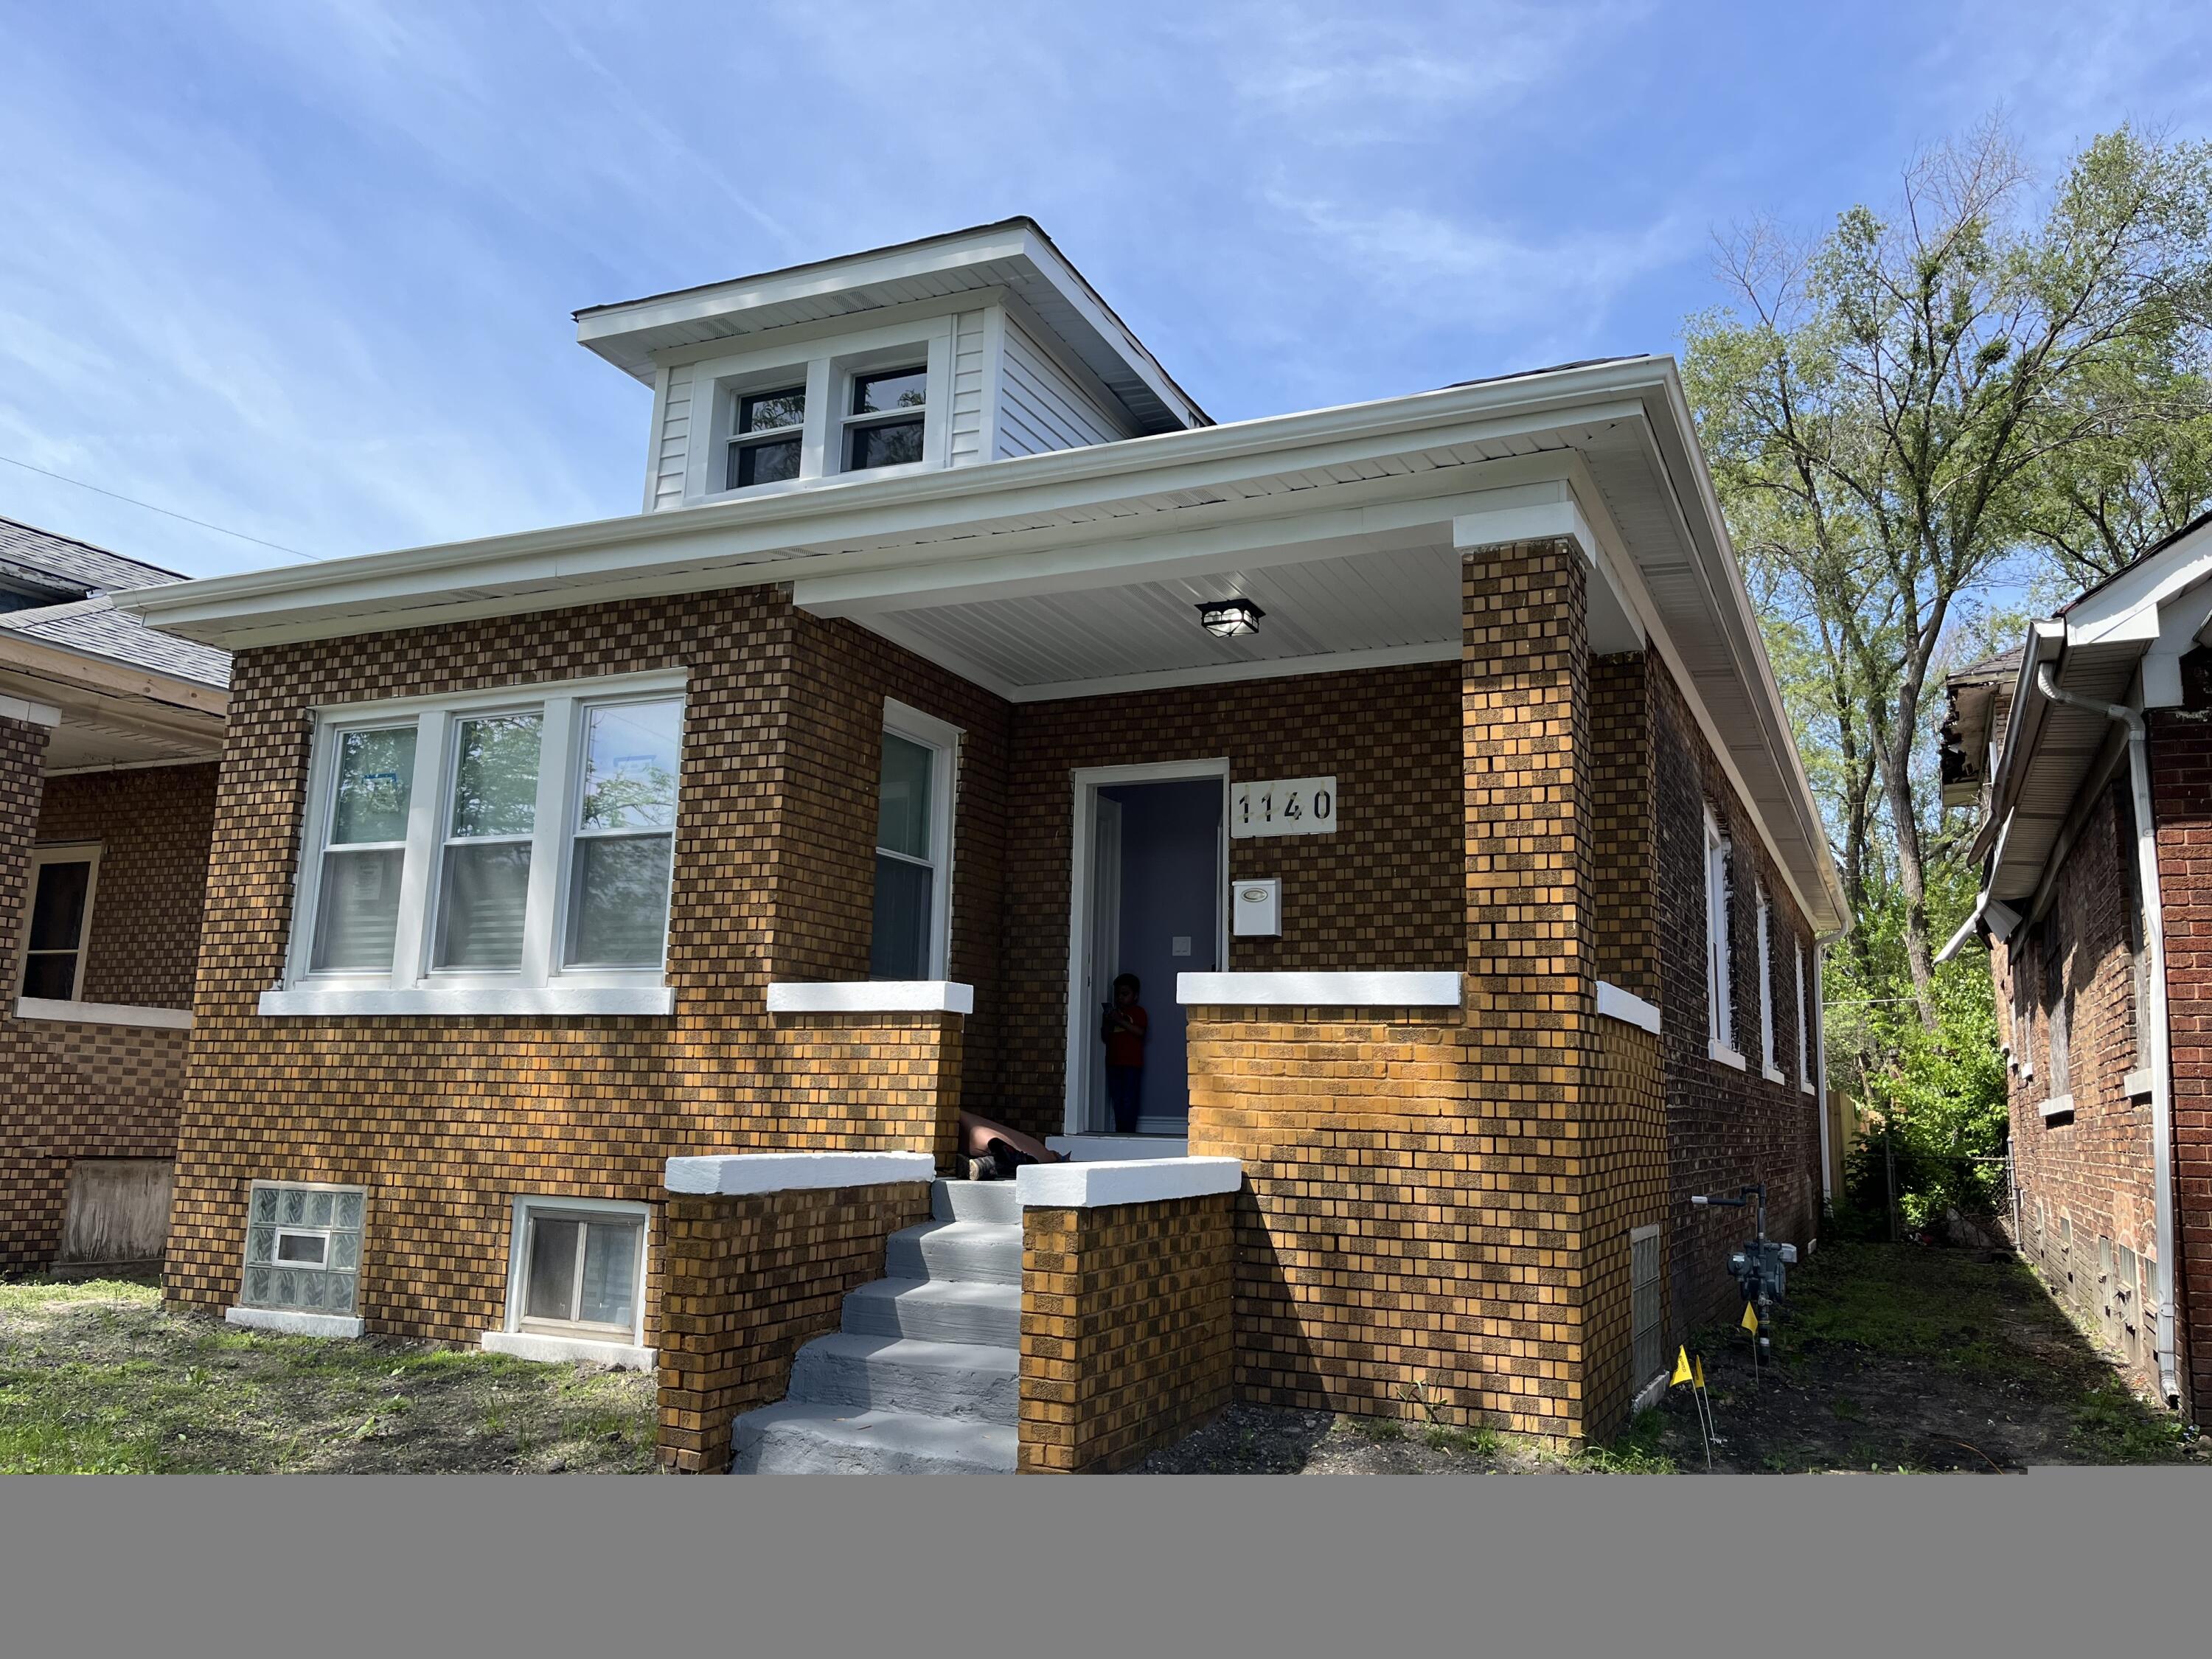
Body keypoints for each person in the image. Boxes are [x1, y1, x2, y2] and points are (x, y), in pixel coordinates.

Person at [1101, 972, 1149, 1135]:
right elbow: (1105, 1037)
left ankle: (1130, 1133)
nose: (1120, 998)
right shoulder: (1112, 1014)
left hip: (1132, 1064)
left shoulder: (1139, 1012)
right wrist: (1108, 1021)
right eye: (1118, 994)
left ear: (1135, 996)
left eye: (1125, 994)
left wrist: (1120, 1020)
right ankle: (1120, 1132)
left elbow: (1140, 1032)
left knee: (1130, 1100)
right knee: (1117, 1099)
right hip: (1113, 1063)